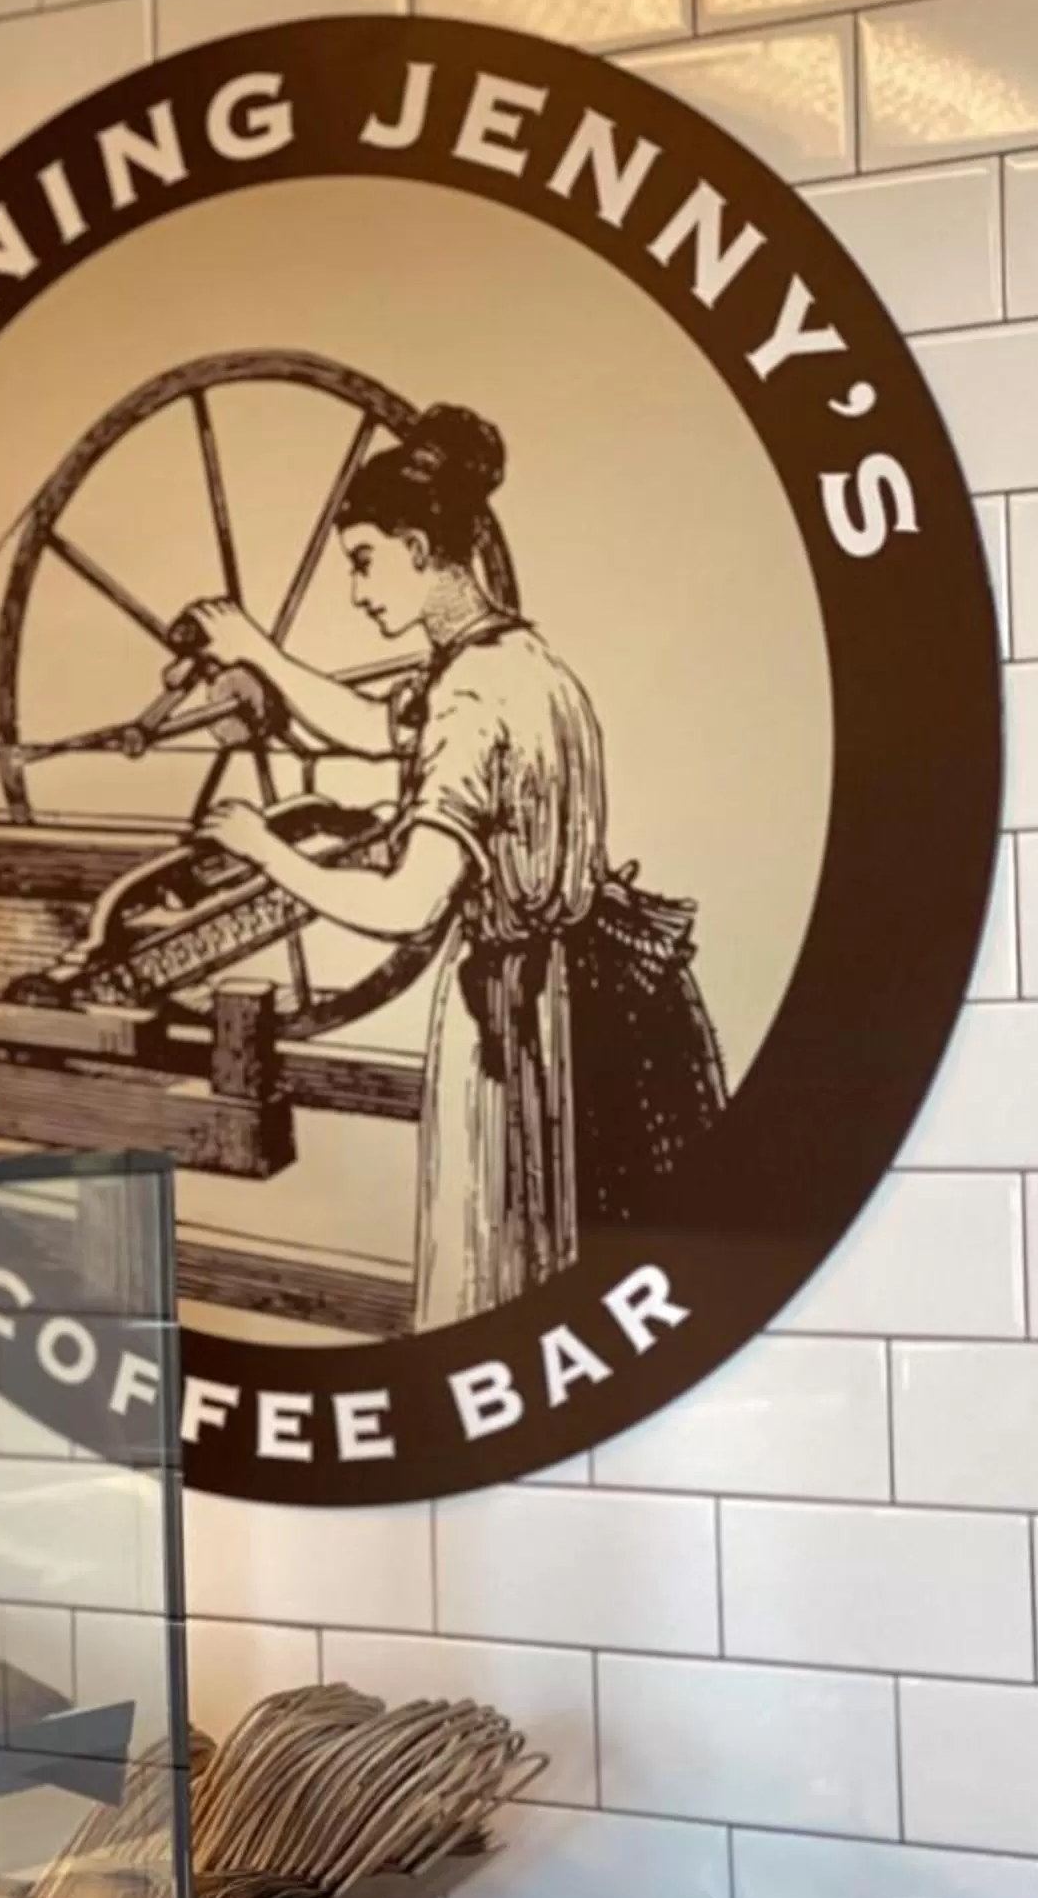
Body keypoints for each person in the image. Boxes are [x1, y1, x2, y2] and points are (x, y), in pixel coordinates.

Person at [187, 402, 725, 1329]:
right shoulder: (522, 663)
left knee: (503, 1265)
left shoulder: (472, 695)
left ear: (419, 546)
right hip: (582, 996)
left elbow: (407, 900)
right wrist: (260, 657)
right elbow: (366, 729)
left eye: (363, 560)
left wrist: (263, 848)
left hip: (519, 1024)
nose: (356, 593)